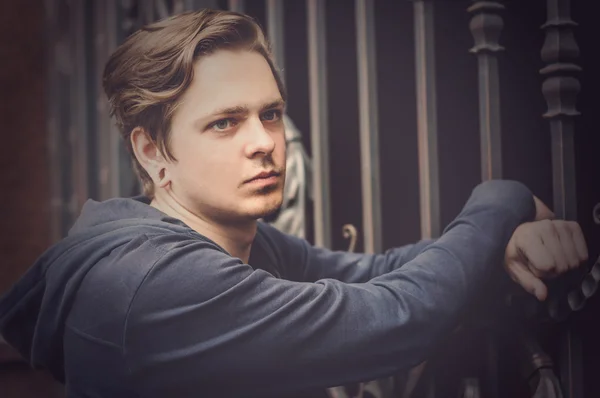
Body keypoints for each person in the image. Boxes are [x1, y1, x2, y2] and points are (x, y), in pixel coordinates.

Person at [0, 9, 588, 398]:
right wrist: (501, 199)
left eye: (271, 113)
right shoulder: (154, 281)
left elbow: (378, 275)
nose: (264, 142)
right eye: (225, 123)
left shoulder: (232, 242)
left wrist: (501, 242)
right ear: (153, 151)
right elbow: (400, 317)